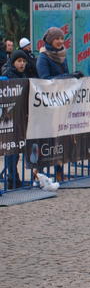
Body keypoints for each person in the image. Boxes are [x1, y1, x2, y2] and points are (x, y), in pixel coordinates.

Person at [4, 50, 30, 189]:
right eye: (19, 61)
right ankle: (12, 179)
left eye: (24, 61)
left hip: (19, 117)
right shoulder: (7, 75)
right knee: (11, 150)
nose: (22, 64)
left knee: (16, 150)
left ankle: (14, 178)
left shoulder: (23, 76)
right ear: (13, 62)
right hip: (9, 118)